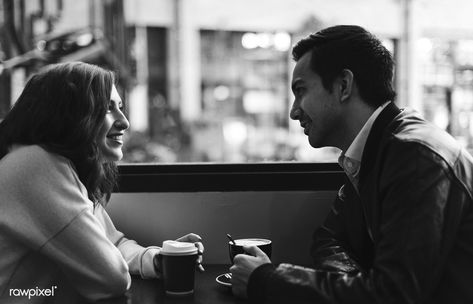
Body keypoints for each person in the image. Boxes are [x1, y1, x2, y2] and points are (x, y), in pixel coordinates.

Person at [230, 25, 473, 303]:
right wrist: (354, 285)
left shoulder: (415, 157)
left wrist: (267, 280)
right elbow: (329, 238)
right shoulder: (374, 147)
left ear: (343, 86)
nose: (294, 110)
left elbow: (394, 295)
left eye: (301, 91)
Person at [0, 62, 204, 303]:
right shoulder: (34, 166)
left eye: (120, 107)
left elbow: (111, 241)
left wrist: (157, 260)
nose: (124, 122)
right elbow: (113, 278)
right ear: (68, 114)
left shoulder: (60, 167)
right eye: (108, 109)